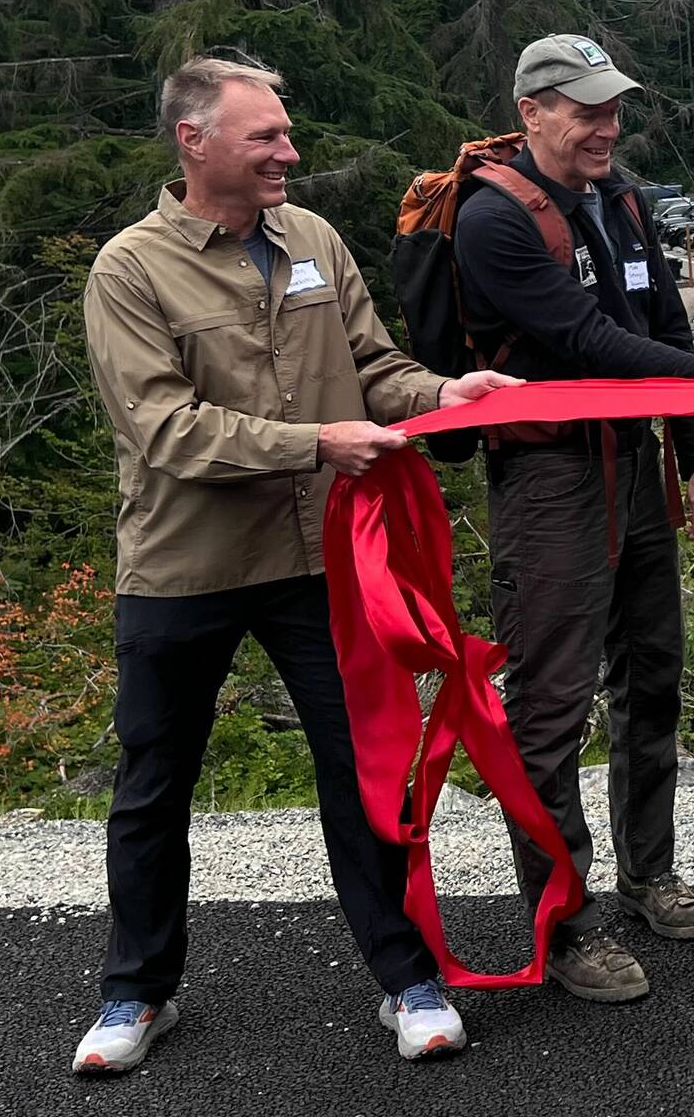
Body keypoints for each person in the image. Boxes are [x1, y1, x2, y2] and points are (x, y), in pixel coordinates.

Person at [77, 53, 517, 1074]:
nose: (290, 151)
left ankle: (408, 979)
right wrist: (316, 443)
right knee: (154, 782)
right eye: (266, 136)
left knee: (369, 770)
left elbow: (370, 368)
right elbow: (166, 430)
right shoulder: (130, 269)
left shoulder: (312, 239)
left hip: (321, 561)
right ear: (195, 143)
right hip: (181, 569)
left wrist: (443, 394)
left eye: (285, 131)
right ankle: (136, 995)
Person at [451, 34, 694, 1005]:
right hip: (549, 482)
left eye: (612, 107)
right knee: (552, 706)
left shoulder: (623, 199)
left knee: (653, 673)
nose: (606, 125)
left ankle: (647, 870)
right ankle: (564, 923)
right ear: (532, 113)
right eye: (586, 108)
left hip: (634, 467)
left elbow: (661, 331)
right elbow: (587, 340)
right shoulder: (492, 221)